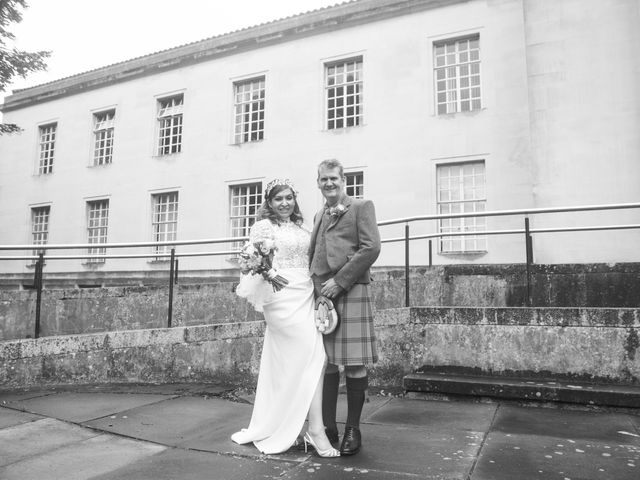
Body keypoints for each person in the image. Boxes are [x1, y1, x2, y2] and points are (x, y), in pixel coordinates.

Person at [231, 178, 339, 457]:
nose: (284, 203)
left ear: (295, 199)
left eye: (289, 197)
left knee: (315, 357)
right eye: (278, 199)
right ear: (269, 202)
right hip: (280, 298)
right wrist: (269, 273)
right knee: (310, 354)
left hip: (305, 294)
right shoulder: (263, 227)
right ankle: (314, 430)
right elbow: (251, 261)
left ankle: (310, 427)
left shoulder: (302, 227)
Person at [309, 159, 381, 456]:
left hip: (349, 289)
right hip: (321, 295)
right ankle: (328, 426)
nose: (329, 184)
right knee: (323, 362)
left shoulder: (361, 207)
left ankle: (353, 428)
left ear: (343, 180)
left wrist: (340, 281)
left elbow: (371, 247)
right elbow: (313, 253)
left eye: (334, 179)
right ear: (319, 183)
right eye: (324, 179)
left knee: (353, 362)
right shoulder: (318, 214)